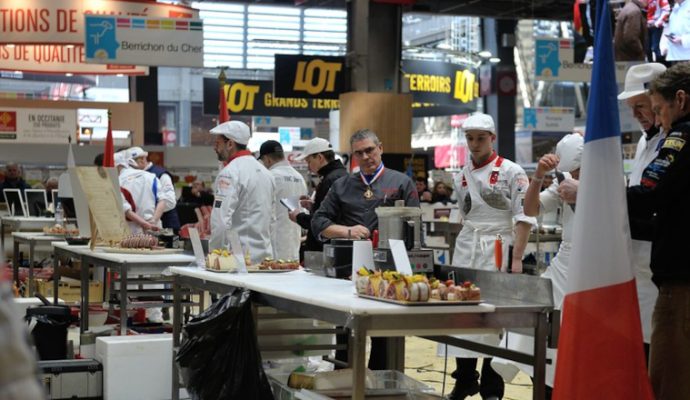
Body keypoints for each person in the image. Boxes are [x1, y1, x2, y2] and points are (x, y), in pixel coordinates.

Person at [311, 129, 419, 370]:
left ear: (380, 148)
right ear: (353, 156)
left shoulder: (402, 182)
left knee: (385, 334)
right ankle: (344, 380)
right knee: (346, 328)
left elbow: (416, 227)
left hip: (390, 273)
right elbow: (318, 222)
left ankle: (381, 383)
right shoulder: (341, 186)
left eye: (370, 150)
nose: (366, 156)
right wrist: (346, 231)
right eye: (359, 153)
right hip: (349, 271)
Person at [447, 113, 535, 400]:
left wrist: (517, 257)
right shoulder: (461, 174)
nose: (474, 144)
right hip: (467, 245)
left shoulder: (512, 171)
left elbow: (524, 217)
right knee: (461, 315)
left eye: (480, 138)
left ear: (493, 139)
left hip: (498, 245)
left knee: (494, 318)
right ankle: (464, 379)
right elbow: (464, 214)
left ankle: (492, 387)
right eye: (470, 138)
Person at [491, 133, 584, 398]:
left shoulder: (607, 181)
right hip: (564, 264)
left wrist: (584, 192)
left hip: (593, 266)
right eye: (570, 171)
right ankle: (544, 388)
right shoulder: (563, 182)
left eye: (578, 170)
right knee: (533, 333)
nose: (573, 175)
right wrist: (539, 176)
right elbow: (530, 209)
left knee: (579, 339)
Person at [627, 62, 690, 399]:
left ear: (679, 100)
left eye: (658, 109)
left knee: (669, 380)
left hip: (681, 282)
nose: (658, 118)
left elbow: (650, 192)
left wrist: (596, 197)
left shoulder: (680, 137)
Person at [617, 62, 667, 359]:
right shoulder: (642, 143)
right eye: (631, 107)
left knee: (659, 350)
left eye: (642, 105)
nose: (636, 114)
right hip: (634, 261)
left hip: (660, 262)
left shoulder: (675, 141)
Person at [208, 121, 275, 264]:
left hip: (238, 260)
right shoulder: (266, 173)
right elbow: (272, 219)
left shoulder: (229, 173)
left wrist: (215, 255)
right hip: (265, 258)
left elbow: (220, 220)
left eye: (218, 143)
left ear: (230, 144)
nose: (215, 147)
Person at [288, 138, 347, 260]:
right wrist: (313, 206)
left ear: (320, 158)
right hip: (334, 246)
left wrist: (298, 217)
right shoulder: (340, 175)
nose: (308, 167)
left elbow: (323, 222)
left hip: (326, 248)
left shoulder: (330, 180)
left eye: (309, 162)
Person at [258, 140, 307, 261]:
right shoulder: (299, 178)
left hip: (273, 245)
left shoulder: (269, 176)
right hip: (294, 243)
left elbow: (261, 211)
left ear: (267, 159)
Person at [115, 151, 175, 235]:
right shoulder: (151, 176)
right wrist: (153, 220)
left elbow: (125, 209)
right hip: (154, 229)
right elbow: (164, 199)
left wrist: (144, 223)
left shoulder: (118, 182)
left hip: (130, 232)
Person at [127, 146, 181, 234]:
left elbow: (170, 201)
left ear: (141, 160)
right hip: (144, 224)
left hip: (166, 226)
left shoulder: (161, 175)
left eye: (130, 164)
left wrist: (150, 212)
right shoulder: (134, 176)